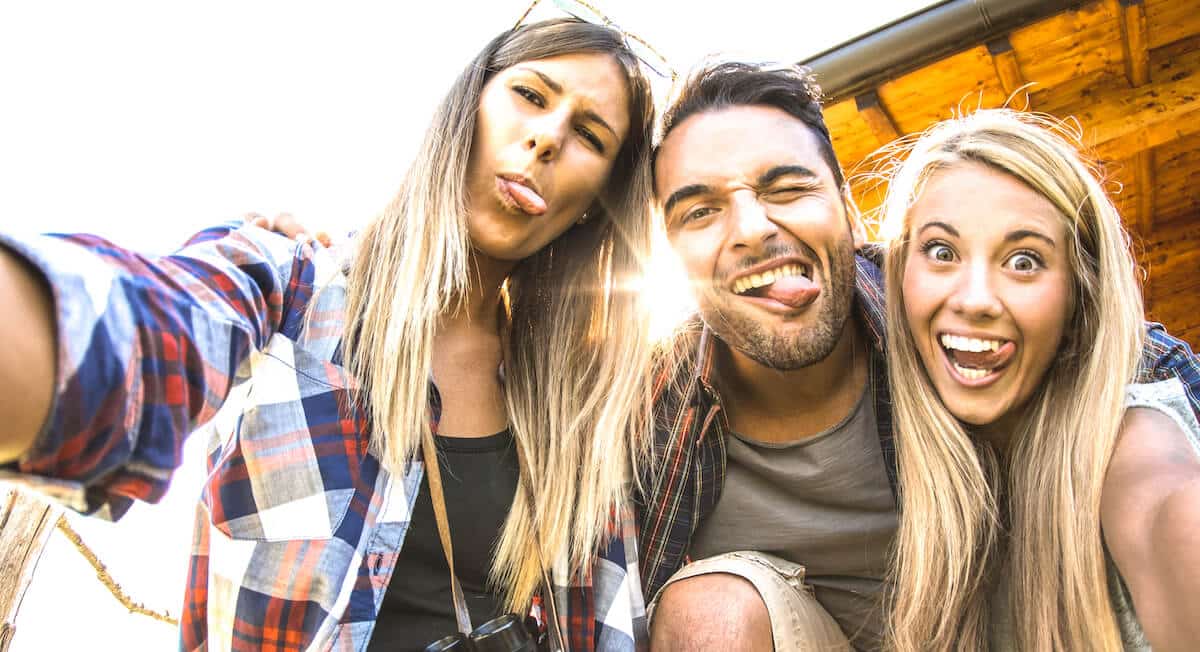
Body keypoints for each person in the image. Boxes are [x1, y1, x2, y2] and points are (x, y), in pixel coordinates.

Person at [0, 17, 658, 651]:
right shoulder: (291, 286)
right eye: (530, 94)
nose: (547, 137)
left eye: (590, 137)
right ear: (470, 104)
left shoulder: (586, 413)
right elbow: (142, 335)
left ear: (598, 201)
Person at [635, 62, 1200, 652]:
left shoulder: (939, 322)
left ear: (852, 215)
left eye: (788, 189)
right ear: (669, 258)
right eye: (699, 211)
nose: (752, 229)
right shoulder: (645, 421)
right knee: (709, 616)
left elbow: (1145, 429)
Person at [879, 109, 1200, 651]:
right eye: (941, 252)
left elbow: (1170, 508)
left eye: (1024, 261)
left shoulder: (1133, 440)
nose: (975, 299)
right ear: (898, 273)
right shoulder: (897, 453)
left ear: (1082, 294)